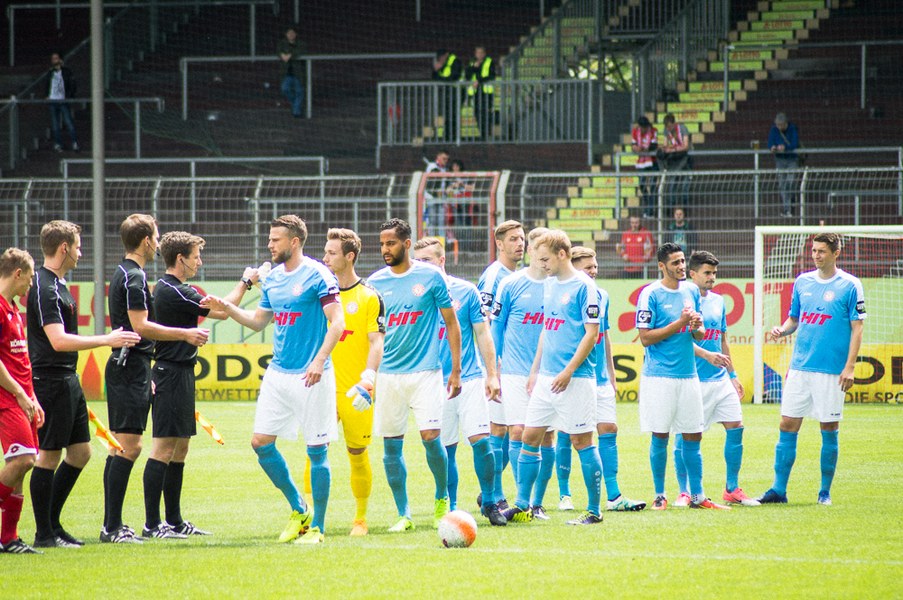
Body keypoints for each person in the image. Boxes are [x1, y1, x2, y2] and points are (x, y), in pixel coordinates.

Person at [201, 215, 345, 545]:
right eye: (269, 239)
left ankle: (318, 527)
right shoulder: (274, 279)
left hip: (312, 375)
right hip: (278, 373)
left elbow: (337, 322)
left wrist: (320, 360)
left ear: (294, 242)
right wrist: (227, 308)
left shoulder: (318, 275)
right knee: (260, 443)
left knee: (317, 451)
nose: (269, 245)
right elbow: (257, 322)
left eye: (275, 240)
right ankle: (299, 509)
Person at [27, 221, 140, 549]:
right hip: (50, 380)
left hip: (67, 378)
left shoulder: (58, 284)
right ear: (64, 248)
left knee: (80, 453)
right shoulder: (44, 287)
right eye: (77, 246)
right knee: (48, 456)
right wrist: (107, 339)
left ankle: (53, 524)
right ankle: (44, 534)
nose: (81, 252)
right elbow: (58, 341)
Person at [102, 214, 210, 544]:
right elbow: (141, 326)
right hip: (130, 365)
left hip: (137, 366)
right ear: (147, 241)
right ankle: (116, 526)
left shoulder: (128, 273)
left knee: (124, 447)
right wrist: (185, 334)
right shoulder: (134, 277)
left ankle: (119, 524)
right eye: (156, 237)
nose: (158, 243)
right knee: (129, 447)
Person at [142, 232, 257, 539]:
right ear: (180, 259)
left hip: (181, 373)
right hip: (169, 374)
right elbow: (222, 311)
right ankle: (152, 524)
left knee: (180, 448)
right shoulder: (172, 289)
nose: (200, 262)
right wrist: (246, 282)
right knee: (163, 448)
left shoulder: (177, 289)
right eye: (196, 256)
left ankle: (175, 521)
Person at [503, 230, 605, 526]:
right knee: (529, 436)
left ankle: (594, 511)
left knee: (582, 441)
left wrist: (568, 370)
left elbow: (592, 334)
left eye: (546, 259)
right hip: (546, 379)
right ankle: (523, 505)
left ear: (562, 254)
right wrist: (536, 370)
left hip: (576, 379)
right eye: (538, 259)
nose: (542, 265)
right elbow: (547, 329)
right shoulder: (549, 285)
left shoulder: (585, 287)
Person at [367, 218, 462, 532]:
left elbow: (451, 323)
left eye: (391, 243)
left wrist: (456, 370)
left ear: (407, 244)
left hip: (426, 373)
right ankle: (403, 514)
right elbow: (370, 333)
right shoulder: (374, 283)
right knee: (391, 447)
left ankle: (441, 499)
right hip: (388, 375)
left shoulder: (431, 277)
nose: (385, 249)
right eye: (382, 244)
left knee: (431, 438)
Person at [759, 233, 865, 506]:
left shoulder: (850, 285)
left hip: (831, 370)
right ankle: (778, 490)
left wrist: (850, 367)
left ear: (835, 253)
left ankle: (824, 492)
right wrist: (782, 330)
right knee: (787, 424)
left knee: (828, 427)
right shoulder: (802, 281)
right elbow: (794, 319)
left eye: (822, 251)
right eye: (814, 250)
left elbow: (857, 328)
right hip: (800, 367)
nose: (816, 255)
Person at [413, 238, 505, 527]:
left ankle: (489, 501)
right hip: (433, 382)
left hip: (469, 378)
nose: (420, 266)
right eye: (417, 261)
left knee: (482, 442)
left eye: (426, 260)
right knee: (446, 449)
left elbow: (483, 333)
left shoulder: (466, 291)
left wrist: (492, 374)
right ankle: (450, 506)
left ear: (442, 260)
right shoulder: (415, 293)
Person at [635, 242, 729, 511]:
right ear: (661, 266)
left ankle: (698, 496)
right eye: (675, 262)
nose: (681, 266)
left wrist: (696, 327)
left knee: (693, 435)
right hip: (659, 377)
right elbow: (645, 338)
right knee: (660, 435)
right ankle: (660, 495)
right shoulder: (650, 294)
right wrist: (680, 322)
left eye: (682, 261)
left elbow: (697, 334)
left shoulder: (691, 291)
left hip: (689, 375)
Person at [671, 251, 759, 508]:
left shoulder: (719, 301)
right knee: (685, 435)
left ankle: (732, 488)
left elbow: (722, 339)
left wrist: (733, 375)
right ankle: (684, 491)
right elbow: (677, 341)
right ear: (692, 274)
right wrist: (707, 356)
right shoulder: (681, 300)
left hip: (720, 380)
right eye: (707, 273)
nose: (712, 277)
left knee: (736, 426)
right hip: (692, 379)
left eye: (714, 273)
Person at [312, 228, 385, 537]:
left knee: (357, 453)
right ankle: (311, 519)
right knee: (316, 450)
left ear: (350, 256)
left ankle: (360, 519)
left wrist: (368, 379)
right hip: (323, 387)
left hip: (356, 391)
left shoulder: (369, 296)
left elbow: (376, 342)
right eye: (325, 252)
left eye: (331, 253)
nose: (325, 258)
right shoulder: (320, 294)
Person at [566, 246, 646, 513]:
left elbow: (605, 335)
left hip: (599, 377)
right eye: (588, 267)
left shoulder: (602, 296)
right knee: (569, 435)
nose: (593, 271)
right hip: (575, 375)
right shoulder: (563, 294)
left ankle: (614, 496)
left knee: (609, 429)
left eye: (595, 266)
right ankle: (564, 494)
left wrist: (611, 373)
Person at [489, 227, 556, 519]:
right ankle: (522, 501)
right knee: (518, 431)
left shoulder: (558, 285)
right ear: (530, 250)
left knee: (547, 438)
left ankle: (537, 502)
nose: (543, 256)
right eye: (538, 249)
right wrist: (494, 366)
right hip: (514, 370)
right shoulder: (510, 284)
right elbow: (496, 326)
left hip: (548, 372)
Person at [477, 219, 525, 507]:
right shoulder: (494, 276)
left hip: (513, 364)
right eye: (513, 239)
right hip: (497, 365)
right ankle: (494, 495)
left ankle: (490, 490)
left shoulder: (515, 276)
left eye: (522, 239)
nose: (520, 244)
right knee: (499, 429)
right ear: (499, 243)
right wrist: (492, 366)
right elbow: (483, 322)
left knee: (510, 429)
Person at [0, 248, 44, 554]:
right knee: (23, 460)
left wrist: (32, 398)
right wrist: (18, 393)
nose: (30, 284)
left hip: (21, 397)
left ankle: (9, 538)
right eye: (29, 277)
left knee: (20, 465)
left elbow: (21, 361)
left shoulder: (14, 310)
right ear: (17, 274)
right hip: (7, 398)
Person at [768, 112, 801, 217]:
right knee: (782, 184)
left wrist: (785, 147)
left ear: (785, 123)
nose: (779, 127)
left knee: (791, 182)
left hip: (791, 160)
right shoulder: (774, 130)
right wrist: (772, 147)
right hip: (780, 160)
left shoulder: (792, 129)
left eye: (781, 125)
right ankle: (787, 208)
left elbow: (795, 143)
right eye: (777, 125)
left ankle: (792, 200)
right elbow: (770, 142)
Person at [47, 52, 79, 152]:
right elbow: (47, 84)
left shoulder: (66, 71)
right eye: (53, 58)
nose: (54, 60)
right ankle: (58, 144)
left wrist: (69, 96)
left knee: (68, 121)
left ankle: (74, 142)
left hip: (63, 100)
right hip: (53, 100)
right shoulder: (50, 72)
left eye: (56, 58)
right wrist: (47, 95)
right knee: (55, 124)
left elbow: (72, 84)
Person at [660, 113, 691, 211]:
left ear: (674, 123)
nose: (668, 129)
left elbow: (686, 146)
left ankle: (685, 207)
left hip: (686, 157)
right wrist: (665, 149)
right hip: (675, 159)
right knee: (672, 183)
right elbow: (666, 145)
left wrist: (673, 149)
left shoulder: (682, 128)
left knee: (685, 184)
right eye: (667, 127)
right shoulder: (666, 131)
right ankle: (671, 207)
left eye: (670, 126)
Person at [465, 46, 496, 140]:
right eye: (478, 52)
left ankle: (486, 134)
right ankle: (483, 134)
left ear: (484, 53)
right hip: (476, 92)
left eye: (481, 52)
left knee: (486, 113)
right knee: (477, 113)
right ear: (475, 54)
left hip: (487, 92)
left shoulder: (489, 61)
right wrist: (474, 67)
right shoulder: (472, 62)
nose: (479, 54)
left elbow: (491, 75)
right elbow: (467, 76)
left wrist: (479, 81)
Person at [432, 49, 463, 141]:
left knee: (453, 114)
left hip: (459, 91)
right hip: (449, 92)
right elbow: (435, 78)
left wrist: (440, 78)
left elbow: (453, 77)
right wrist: (436, 70)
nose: (441, 60)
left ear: (446, 55)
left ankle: (453, 136)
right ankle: (448, 136)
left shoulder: (455, 61)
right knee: (449, 114)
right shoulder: (444, 64)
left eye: (442, 57)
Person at [631, 116, 658, 218]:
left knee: (652, 187)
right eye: (641, 127)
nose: (642, 130)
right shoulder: (635, 131)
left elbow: (653, 146)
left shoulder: (653, 131)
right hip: (641, 162)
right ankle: (647, 206)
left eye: (644, 128)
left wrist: (644, 149)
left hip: (653, 162)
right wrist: (636, 148)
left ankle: (651, 210)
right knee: (642, 185)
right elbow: (633, 145)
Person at [278, 26, 306, 118]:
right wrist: (282, 55)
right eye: (289, 33)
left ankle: (296, 112)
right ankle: (296, 106)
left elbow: (301, 51)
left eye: (293, 33)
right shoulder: (282, 43)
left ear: (296, 34)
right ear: (286, 34)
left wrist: (290, 55)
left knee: (299, 92)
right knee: (285, 89)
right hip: (287, 73)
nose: (291, 35)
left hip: (298, 73)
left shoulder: (301, 43)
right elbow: (279, 52)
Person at [615, 215, 654, 279]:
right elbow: (622, 248)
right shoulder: (626, 234)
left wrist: (646, 259)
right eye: (632, 223)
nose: (634, 225)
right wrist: (623, 255)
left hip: (641, 269)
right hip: (628, 268)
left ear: (640, 222)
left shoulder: (646, 234)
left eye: (636, 223)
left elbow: (651, 249)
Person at [424, 150, 450, 239]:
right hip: (432, 197)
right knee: (433, 220)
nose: (445, 161)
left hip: (442, 197)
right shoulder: (432, 166)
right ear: (438, 157)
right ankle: (431, 239)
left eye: (447, 159)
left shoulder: (445, 169)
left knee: (441, 221)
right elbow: (431, 181)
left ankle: (441, 240)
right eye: (444, 159)